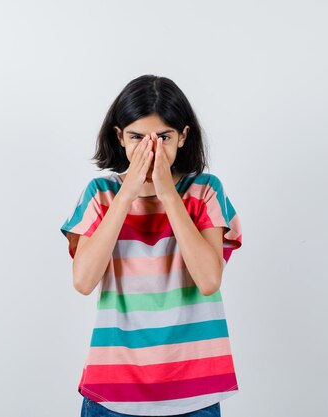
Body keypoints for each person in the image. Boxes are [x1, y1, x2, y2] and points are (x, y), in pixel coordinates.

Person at [60, 74, 243, 417]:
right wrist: (127, 192)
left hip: (194, 390)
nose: (151, 148)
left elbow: (208, 280)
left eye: (163, 137)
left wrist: (167, 194)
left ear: (183, 136)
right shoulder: (101, 193)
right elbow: (83, 281)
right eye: (137, 137)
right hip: (113, 389)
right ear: (119, 137)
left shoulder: (205, 191)